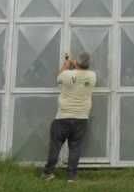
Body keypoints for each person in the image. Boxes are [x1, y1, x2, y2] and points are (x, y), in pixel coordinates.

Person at [41, 52, 96, 183]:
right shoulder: (92, 76)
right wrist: (74, 65)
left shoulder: (67, 74)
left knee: (55, 146)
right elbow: (78, 77)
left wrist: (66, 65)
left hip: (63, 118)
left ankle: (48, 173)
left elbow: (58, 77)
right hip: (82, 118)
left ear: (76, 63)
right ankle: (71, 177)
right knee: (75, 147)